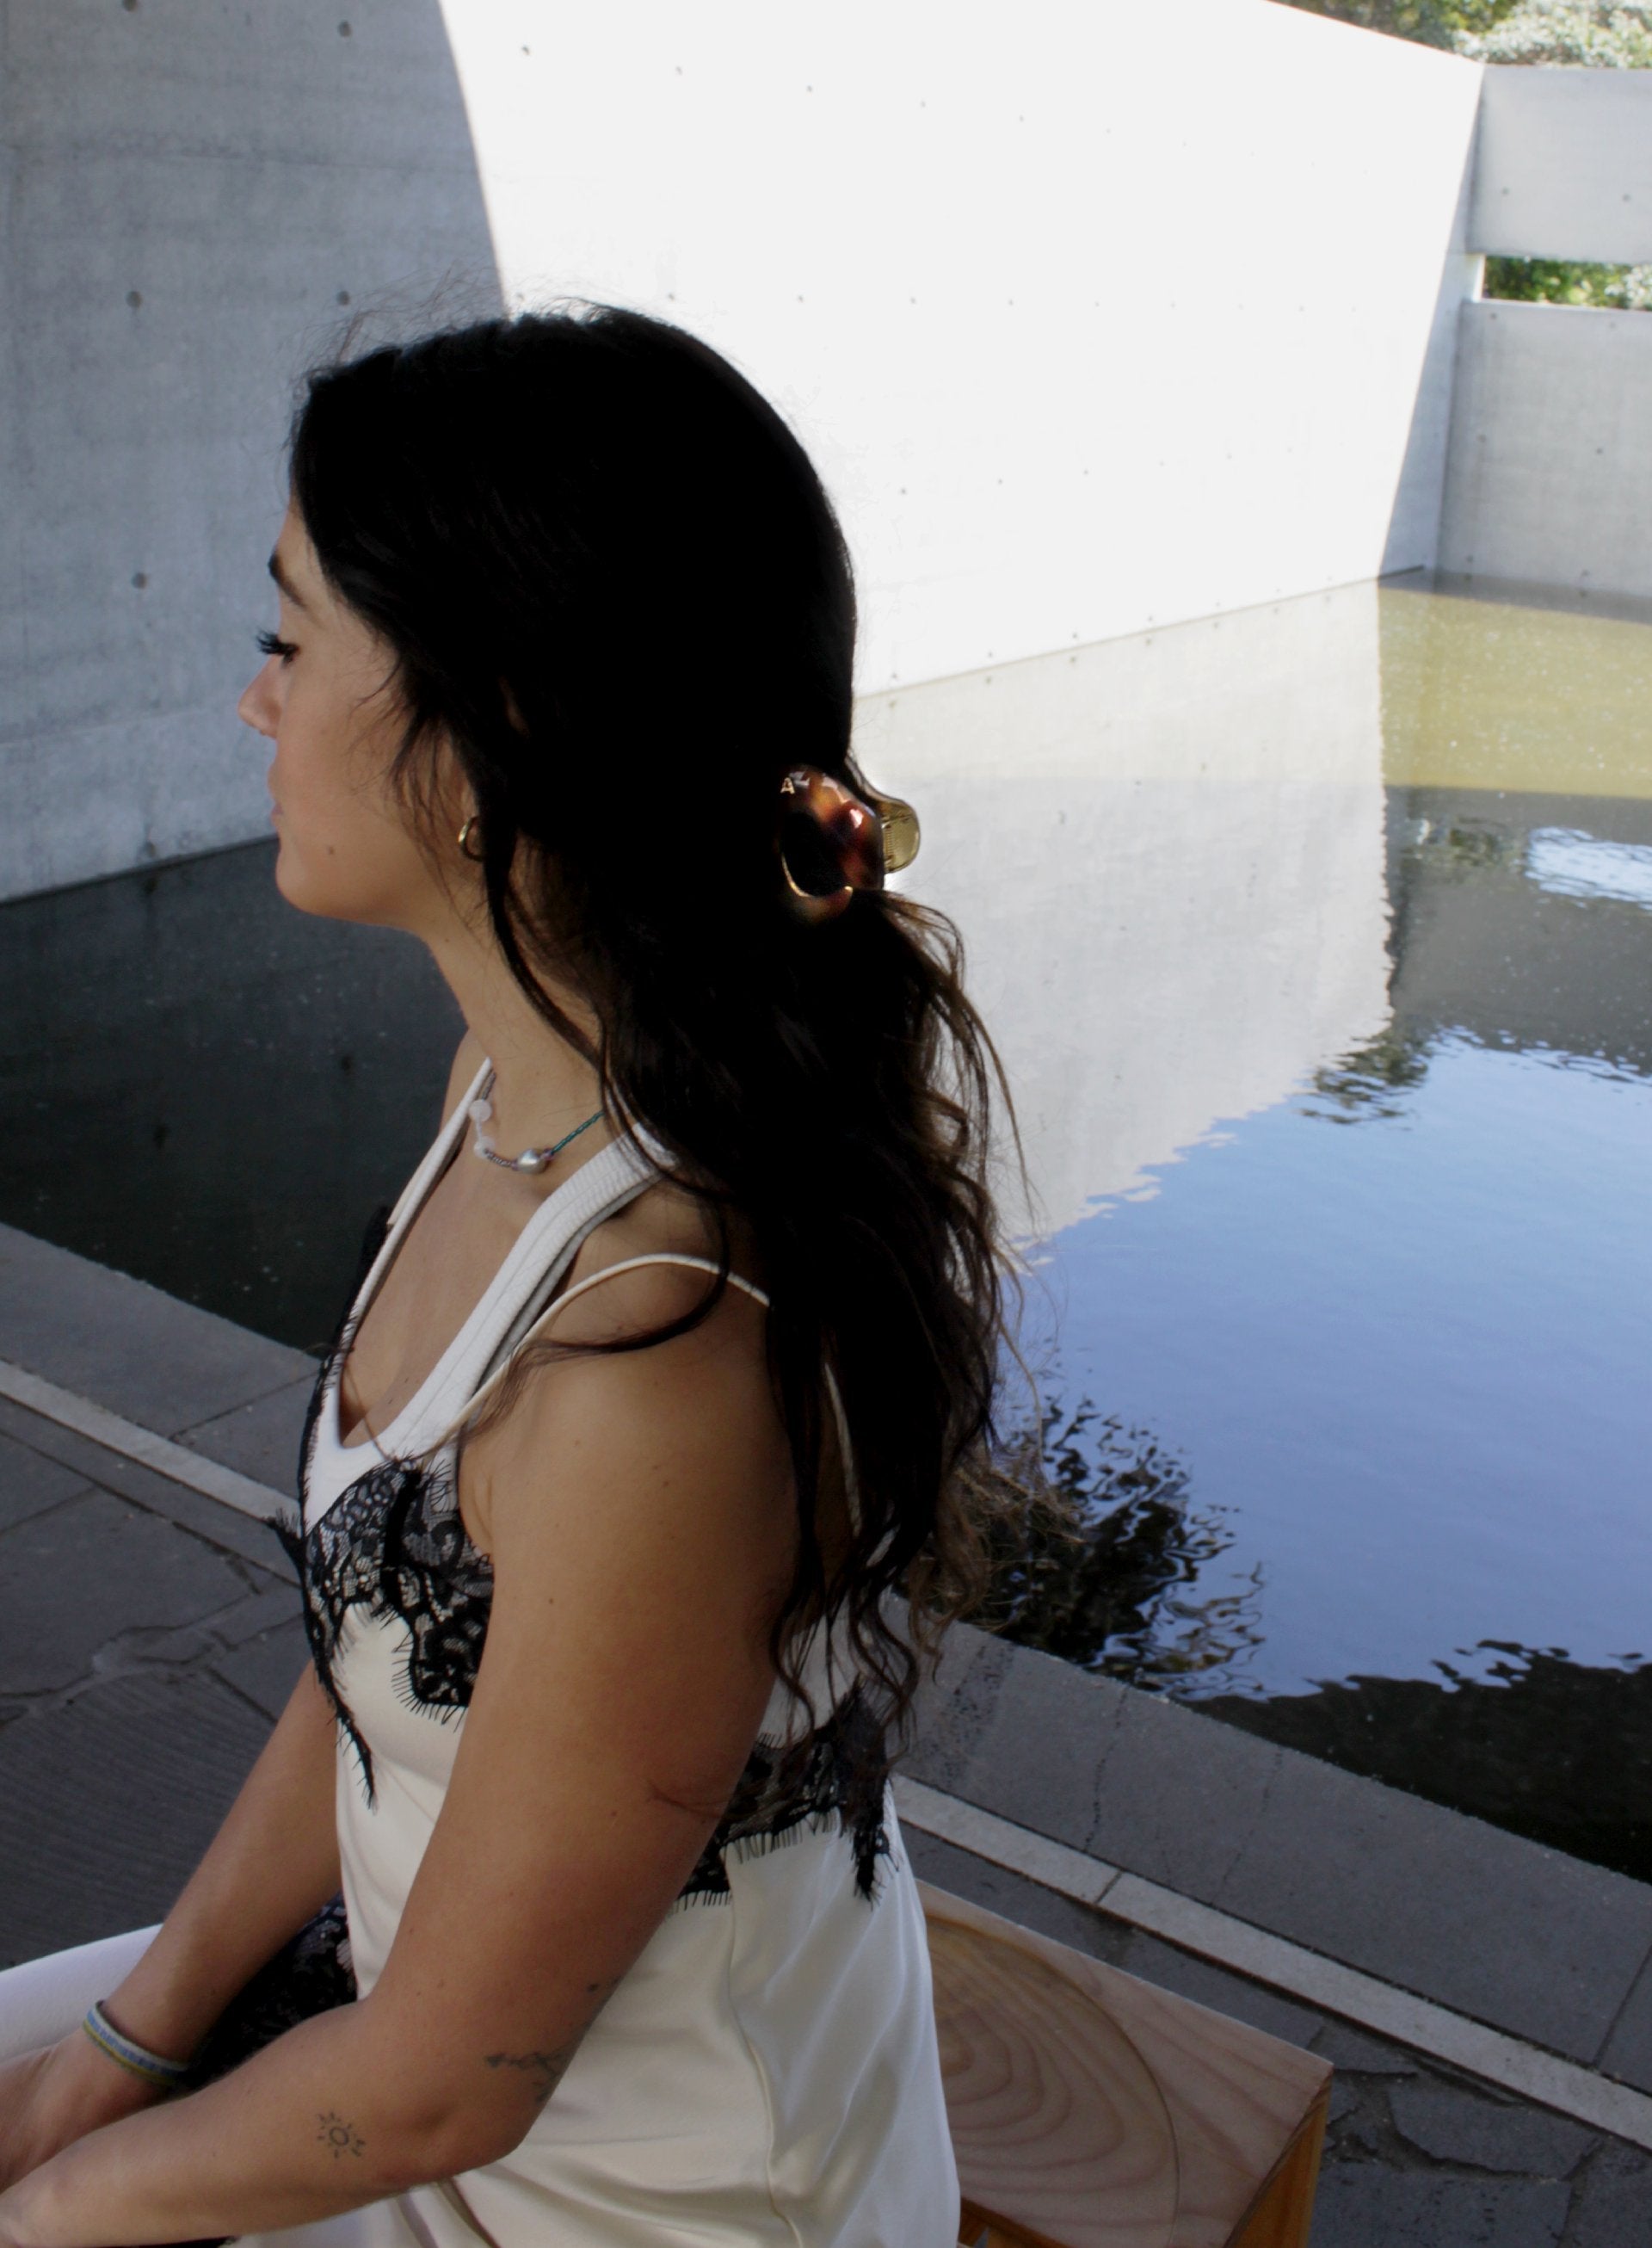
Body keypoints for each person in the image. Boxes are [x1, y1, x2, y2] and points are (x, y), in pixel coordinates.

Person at [0, 303, 1020, 2248]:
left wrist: (49, 2207)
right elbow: (399, 1671)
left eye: (290, 641)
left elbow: (443, 2082)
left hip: (628, 2193)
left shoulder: (658, 1352)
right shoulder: (523, 1078)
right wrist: (122, 2049)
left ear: (488, 740)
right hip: (442, 2051)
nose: (256, 702)